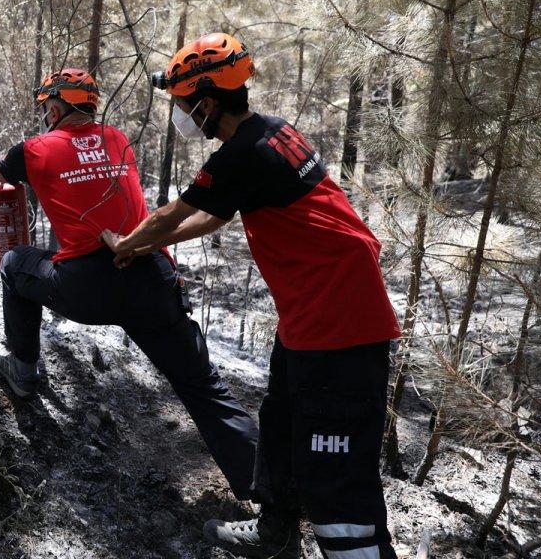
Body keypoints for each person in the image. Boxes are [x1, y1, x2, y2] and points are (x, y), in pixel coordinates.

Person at [103, 33, 402, 559]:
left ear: (207, 102)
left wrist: (127, 243)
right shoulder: (273, 131)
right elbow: (212, 217)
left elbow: (173, 214)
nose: (179, 113)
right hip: (310, 314)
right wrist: (147, 246)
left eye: (181, 101)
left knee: (336, 478)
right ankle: (275, 532)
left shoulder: (241, 155)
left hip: (341, 321)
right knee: (281, 424)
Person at [0, 68, 259, 502]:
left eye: (47, 108)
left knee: (13, 262)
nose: (45, 116)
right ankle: (268, 494)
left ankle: (22, 371)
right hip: (150, 277)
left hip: (87, 287)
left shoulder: (36, 149)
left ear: (56, 107)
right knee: (204, 387)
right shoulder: (117, 139)